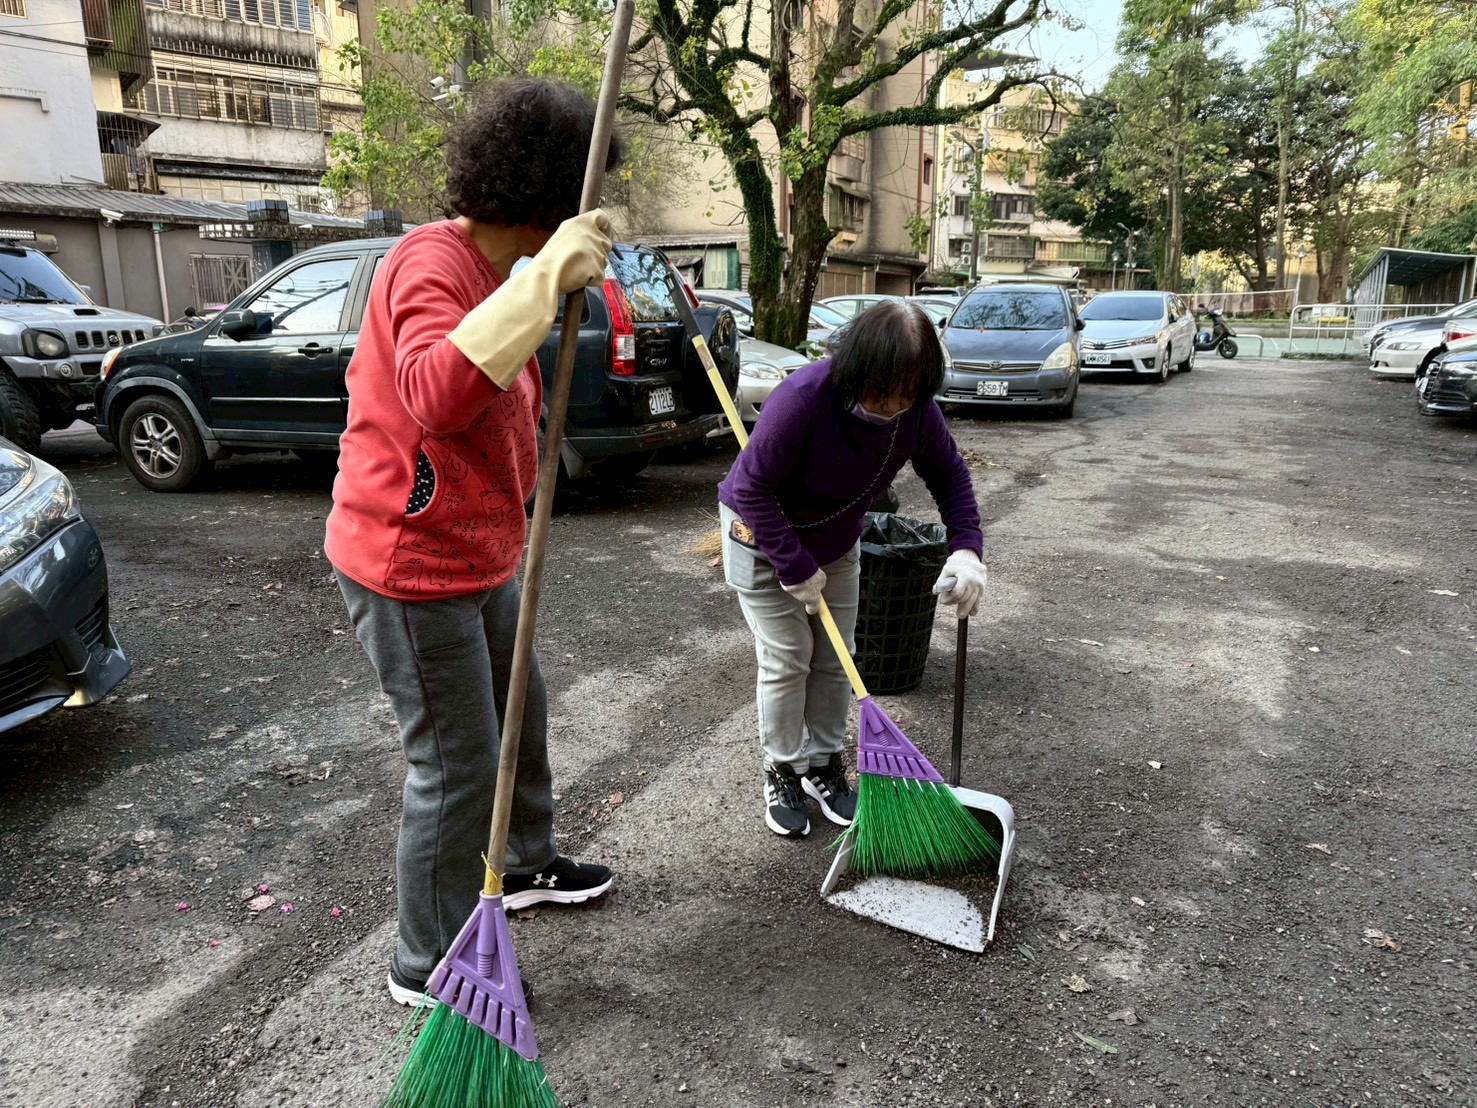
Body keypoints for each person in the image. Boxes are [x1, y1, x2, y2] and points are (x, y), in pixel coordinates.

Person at [324, 79, 621, 1006]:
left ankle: (523, 861)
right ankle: (427, 962)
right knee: (455, 767)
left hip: (481, 551)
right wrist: (543, 279)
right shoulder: (430, 263)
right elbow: (436, 393)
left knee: (519, 719)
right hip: (411, 565)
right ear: (544, 202)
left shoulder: (502, 275)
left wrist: (545, 283)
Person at [717, 301, 989, 838]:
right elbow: (750, 489)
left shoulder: (916, 411)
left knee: (838, 657)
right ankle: (783, 769)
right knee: (789, 657)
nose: (894, 407)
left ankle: (823, 765)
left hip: (837, 539)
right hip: (763, 535)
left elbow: (950, 477)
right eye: (885, 394)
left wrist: (967, 550)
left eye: (908, 395)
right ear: (858, 368)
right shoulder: (803, 400)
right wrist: (793, 564)